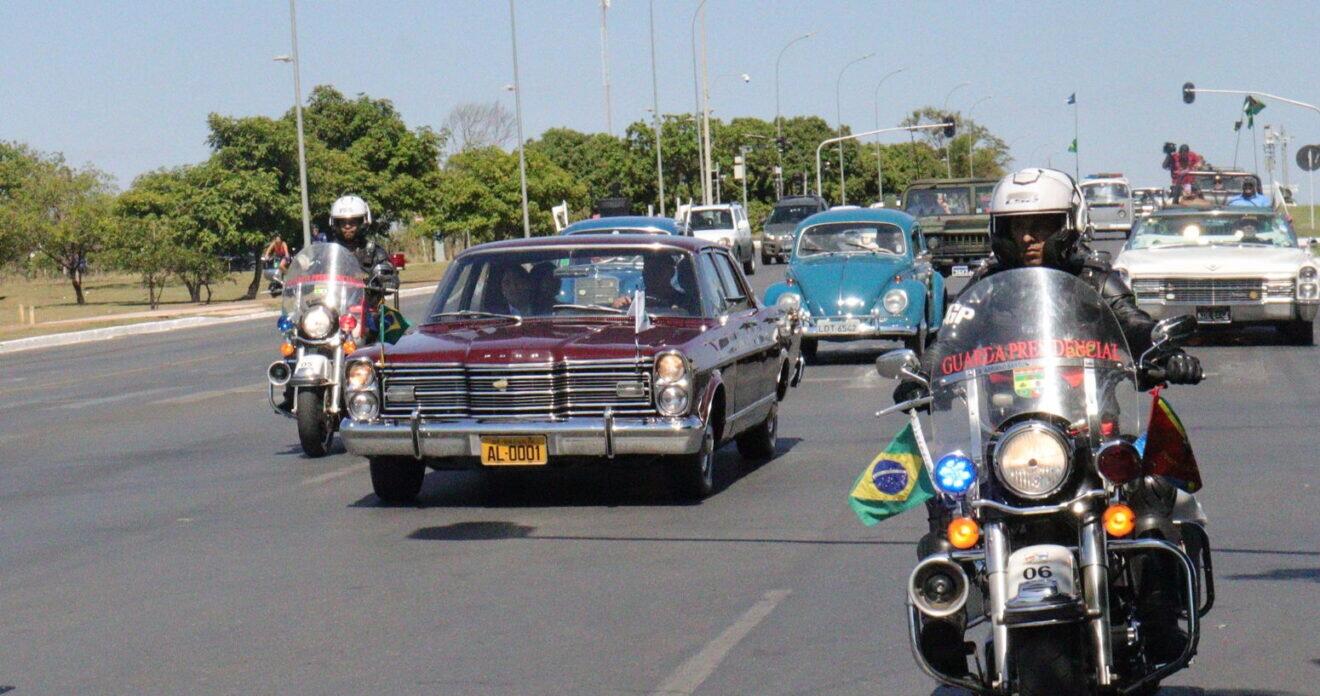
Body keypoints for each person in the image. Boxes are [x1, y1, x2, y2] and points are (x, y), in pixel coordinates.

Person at [906, 167, 1203, 672]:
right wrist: (921, 374)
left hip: (1089, 435)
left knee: (1150, 493)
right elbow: (945, 345)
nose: (1028, 237)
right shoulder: (983, 290)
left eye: (1043, 225)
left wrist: (1158, 348)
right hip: (1008, 440)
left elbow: (1131, 322)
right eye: (1017, 226)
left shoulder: (1098, 281)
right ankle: (943, 623)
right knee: (950, 507)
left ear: (1070, 224)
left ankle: (1159, 612)